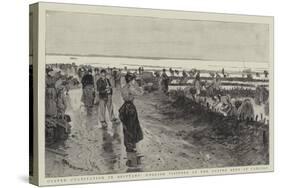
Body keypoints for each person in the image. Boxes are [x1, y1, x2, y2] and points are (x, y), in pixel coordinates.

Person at [119, 73, 144, 152]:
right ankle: (131, 145)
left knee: (126, 127)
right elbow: (140, 93)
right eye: (133, 79)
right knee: (132, 126)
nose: (134, 80)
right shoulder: (131, 88)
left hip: (124, 108)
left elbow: (124, 95)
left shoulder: (124, 87)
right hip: (130, 108)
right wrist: (139, 87)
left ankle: (128, 144)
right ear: (131, 80)